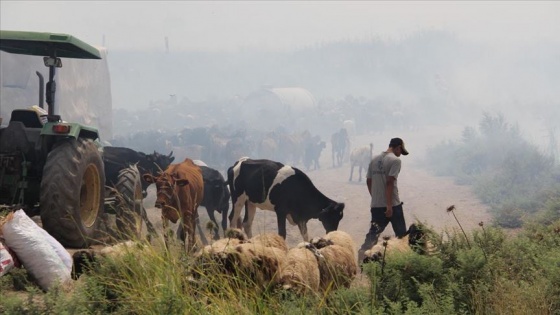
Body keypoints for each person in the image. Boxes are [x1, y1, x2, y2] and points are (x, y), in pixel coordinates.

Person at [358, 137, 409, 261]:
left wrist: (375, 197)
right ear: (398, 147)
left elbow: (368, 181)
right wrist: (389, 205)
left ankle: (362, 256)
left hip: (376, 205)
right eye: (400, 152)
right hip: (393, 205)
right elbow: (390, 182)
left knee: (373, 233)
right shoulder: (395, 161)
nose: (400, 155)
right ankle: (403, 259)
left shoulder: (374, 159)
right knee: (401, 235)